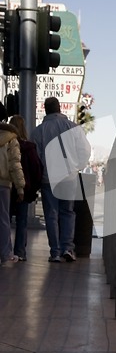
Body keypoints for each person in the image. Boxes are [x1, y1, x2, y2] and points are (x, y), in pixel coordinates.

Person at [31, 97, 91, 263]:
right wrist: (76, 166)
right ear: (59, 108)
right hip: (68, 177)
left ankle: (55, 252)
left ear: (46, 109)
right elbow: (85, 150)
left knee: (51, 214)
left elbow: (35, 158)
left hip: (48, 178)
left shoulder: (38, 131)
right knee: (68, 212)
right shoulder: (73, 128)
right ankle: (68, 248)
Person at [10, 115, 43, 262]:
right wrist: (33, 188)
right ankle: (20, 252)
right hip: (25, 189)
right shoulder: (30, 147)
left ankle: (4, 251)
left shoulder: (6, 145)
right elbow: (37, 169)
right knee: (22, 221)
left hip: (8, 187)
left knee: (5, 219)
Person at [0, 120, 25, 266]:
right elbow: (15, 164)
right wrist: (20, 187)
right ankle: (5, 254)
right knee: (3, 220)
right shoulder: (11, 139)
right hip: (3, 184)